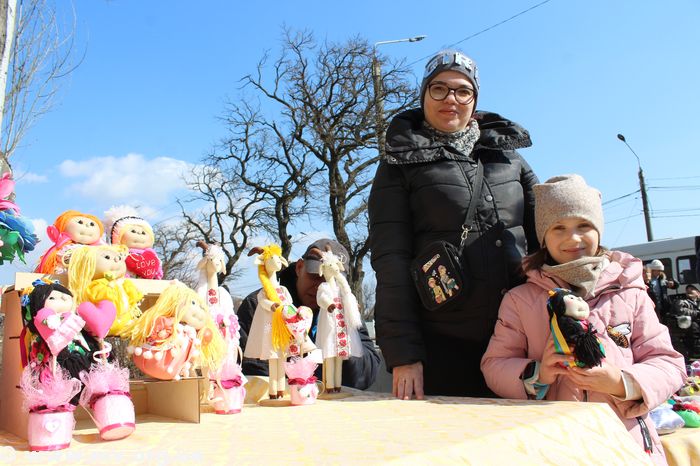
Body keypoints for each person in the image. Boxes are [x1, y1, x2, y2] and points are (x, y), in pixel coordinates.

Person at [368, 49, 539, 399]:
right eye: (439, 89)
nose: (451, 99)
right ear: (424, 96)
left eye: (463, 91)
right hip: (445, 346)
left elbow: (547, 235)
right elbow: (391, 261)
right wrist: (404, 354)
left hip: (519, 339)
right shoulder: (399, 163)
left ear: (474, 100)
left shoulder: (508, 157)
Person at [481, 174, 685, 464]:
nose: (573, 238)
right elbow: (494, 364)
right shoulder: (520, 300)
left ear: (598, 230)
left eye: (584, 225)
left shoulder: (629, 291)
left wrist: (621, 382)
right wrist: (537, 374)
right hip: (554, 446)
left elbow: (668, 362)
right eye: (559, 228)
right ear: (543, 237)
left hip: (628, 444)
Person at [238, 239, 380, 390]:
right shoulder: (260, 305)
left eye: (329, 280)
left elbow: (367, 373)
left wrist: (341, 346)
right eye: (315, 276)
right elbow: (254, 369)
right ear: (299, 268)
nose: (320, 287)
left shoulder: (345, 309)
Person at [668, 284, 700, 361]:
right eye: (687, 290)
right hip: (688, 326)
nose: (689, 290)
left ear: (698, 293)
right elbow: (681, 310)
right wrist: (697, 313)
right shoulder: (682, 301)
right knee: (694, 327)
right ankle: (694, 352)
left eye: (692, 289)